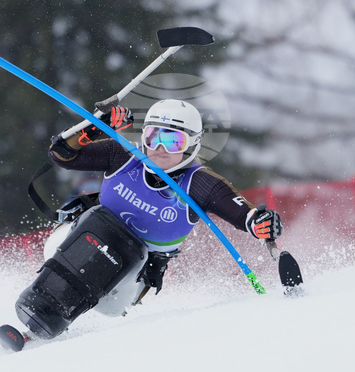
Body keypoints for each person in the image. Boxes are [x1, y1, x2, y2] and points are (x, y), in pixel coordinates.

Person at [47, 98, 284, 297]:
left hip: (131, 274)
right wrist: (95, 127)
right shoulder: (123, 154)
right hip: (84, 238)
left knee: (110, 302)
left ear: (192, 145)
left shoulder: (200, 184)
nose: (160, 147)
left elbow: (246, 216)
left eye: (173, 141)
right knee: (55, 250)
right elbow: (61, 155)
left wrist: (261, 223)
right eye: (153, 136)